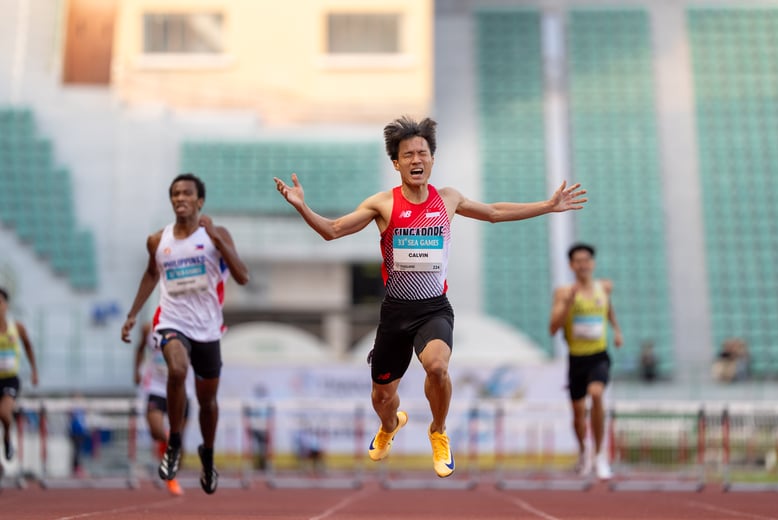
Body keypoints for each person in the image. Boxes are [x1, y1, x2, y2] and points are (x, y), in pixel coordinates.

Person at [274, 116, 587, 478]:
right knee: (381, 399)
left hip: (433, 308)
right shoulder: (383, 204)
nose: (415, 159)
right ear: (397, 163)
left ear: (432, 159)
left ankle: (438, 431)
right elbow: (332, 231)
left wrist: (547, 206)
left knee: (437, 366)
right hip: (394, 313)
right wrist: (301, 206)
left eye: (422, 152)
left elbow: (495, 213)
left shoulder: (448, 199)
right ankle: (390, 425)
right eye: (407, 155)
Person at [121, 173, 250, 494]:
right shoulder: (158, 240)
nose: (180, 198)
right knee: (176, 370)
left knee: (208, 402)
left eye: (187, 193)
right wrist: (133, 314)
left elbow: (243, 276)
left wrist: (218, 240)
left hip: (207, 328)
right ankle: (174, 442)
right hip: (172, 321)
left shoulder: (216, 235)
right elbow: (151, 275)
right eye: (175, 193)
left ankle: (207, 454)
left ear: (199, 200)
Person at [549, 243, 622, 480]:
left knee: (597, 394)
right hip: (576, 358)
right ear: (571, 265)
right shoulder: (563, 292)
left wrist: (617, 330)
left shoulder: (605, 287)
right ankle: (584, 452)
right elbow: (553, 328)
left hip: (598, 355)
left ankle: (601, 455)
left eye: (586, 260)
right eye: (577, 261)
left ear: (592, 263)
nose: (582, 265)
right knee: (578, 414)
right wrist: (569, 304)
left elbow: (608, 308)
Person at [134, 321, 195, 496]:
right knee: (156, 431)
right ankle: (168, 441)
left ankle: (172, 477)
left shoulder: (189, 327)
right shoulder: (148, 328)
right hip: (157, 387)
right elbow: (139, 349)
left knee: (180, 441)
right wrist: (136, 371)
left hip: (183, 390)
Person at [0, 287, 39, 467]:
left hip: (9, 379)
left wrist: (34, 371)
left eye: (0, 302)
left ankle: (7, 439)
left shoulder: (17, 327)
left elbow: (29, 347)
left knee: (4, 414)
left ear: (6, 305)